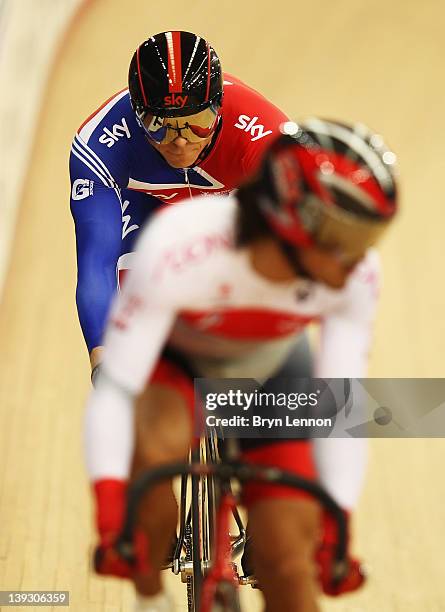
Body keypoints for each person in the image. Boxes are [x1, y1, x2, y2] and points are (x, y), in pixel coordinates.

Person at [84, 118, 398, 612]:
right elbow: (117, 390)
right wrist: (108, 506)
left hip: (273, 369)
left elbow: (341, 395)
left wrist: (340, 521)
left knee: (288, 567)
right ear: (294, 219)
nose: (360, 260)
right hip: (178, 363)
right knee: (150, 484)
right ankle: (151, 599)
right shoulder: (179, 247)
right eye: (345, 237)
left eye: (369, 237)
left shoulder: (357, 274)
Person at [70, 30, 289, 377]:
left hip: (230, 202)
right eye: (160, 126)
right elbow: (97, 261)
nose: (180, 141)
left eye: (197, 124)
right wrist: (103, 358)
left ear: (219, 108)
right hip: (144, 204)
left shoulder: (266, 137)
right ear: (137, 114)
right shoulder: (100, 144)